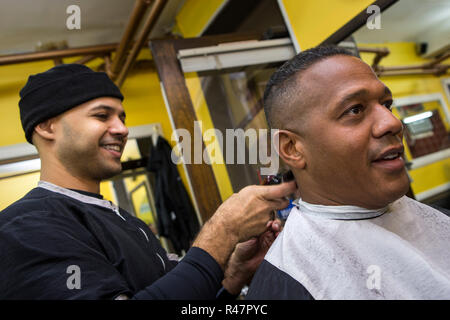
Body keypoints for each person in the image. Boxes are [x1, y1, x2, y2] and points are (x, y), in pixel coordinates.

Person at [0, 64, 296, 299]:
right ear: (46, 126)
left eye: (122, 117)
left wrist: (232, 277)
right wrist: (223, 232)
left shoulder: (120, 220)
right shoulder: (26, 226)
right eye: (102, 115)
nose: (122, 129)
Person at [246, 45, 450, 300]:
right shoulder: (288, 284)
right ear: (292, 148)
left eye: (386, 104)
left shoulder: (438, 219)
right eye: (355, 110)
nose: (393, 122)